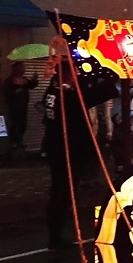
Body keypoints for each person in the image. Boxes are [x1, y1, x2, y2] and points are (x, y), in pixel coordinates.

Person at [42, 61, 90, 250]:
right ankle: (55, 237)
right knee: (62, 192)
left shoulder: (52, 91)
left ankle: (56, 234)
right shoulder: (67, 96)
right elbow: (103, 92)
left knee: (60, 191)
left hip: (56, 146)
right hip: (66, 148)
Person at [2, 60, 38, 150]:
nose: (23, 69)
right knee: (13, 125)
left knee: (23, 124)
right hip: (13, 107)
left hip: (23, 106)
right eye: (21, 67)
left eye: (23, 68)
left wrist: (35, 79)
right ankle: (13, 142)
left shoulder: (24, 80)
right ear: (15, 69)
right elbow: (5, 93)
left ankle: (19, 140)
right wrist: (15, 92)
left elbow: (32, 85)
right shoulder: (9, 81)